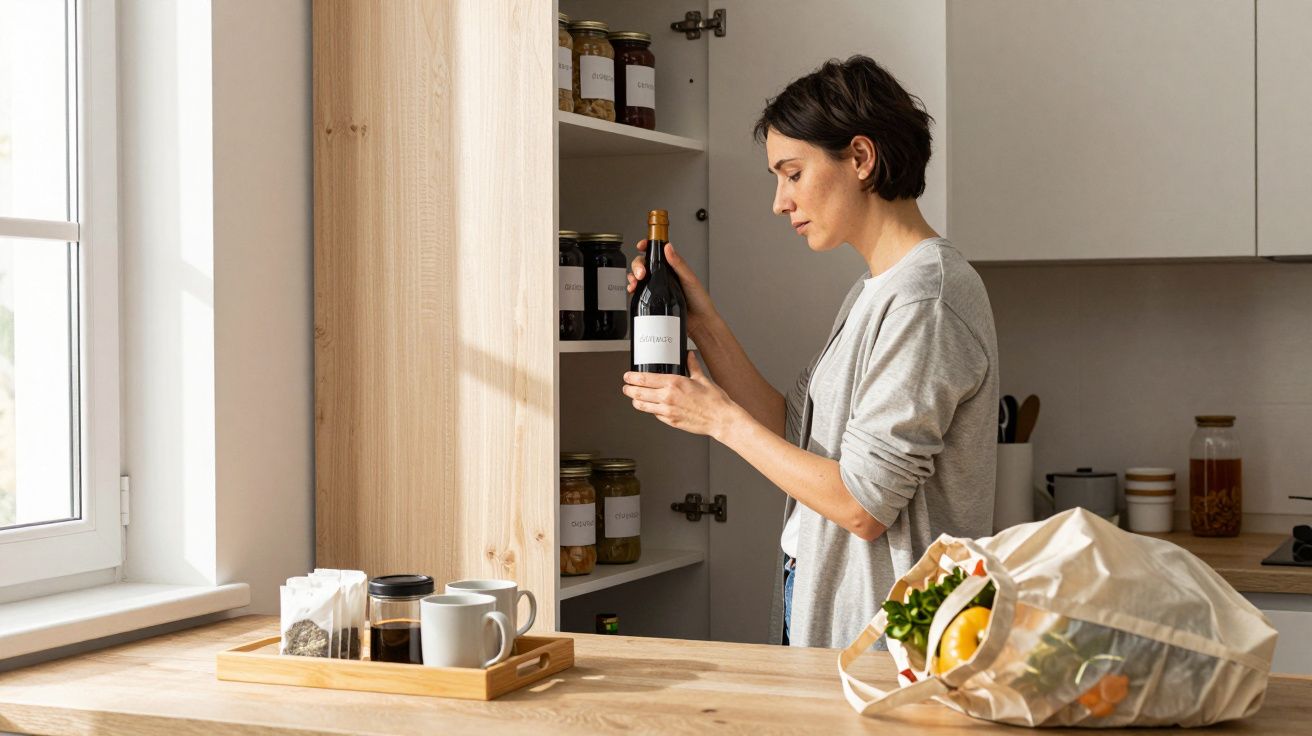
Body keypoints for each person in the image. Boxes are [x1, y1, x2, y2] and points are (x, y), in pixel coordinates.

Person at [622, 55, 999, 649]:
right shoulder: (877, 290)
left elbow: (859, 504)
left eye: (792, 173)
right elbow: (798, 434)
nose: (779, 201)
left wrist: (718, 420)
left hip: (886, 644)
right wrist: (706, 326)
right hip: (831, 607)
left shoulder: (927, 300)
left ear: (860, 158)